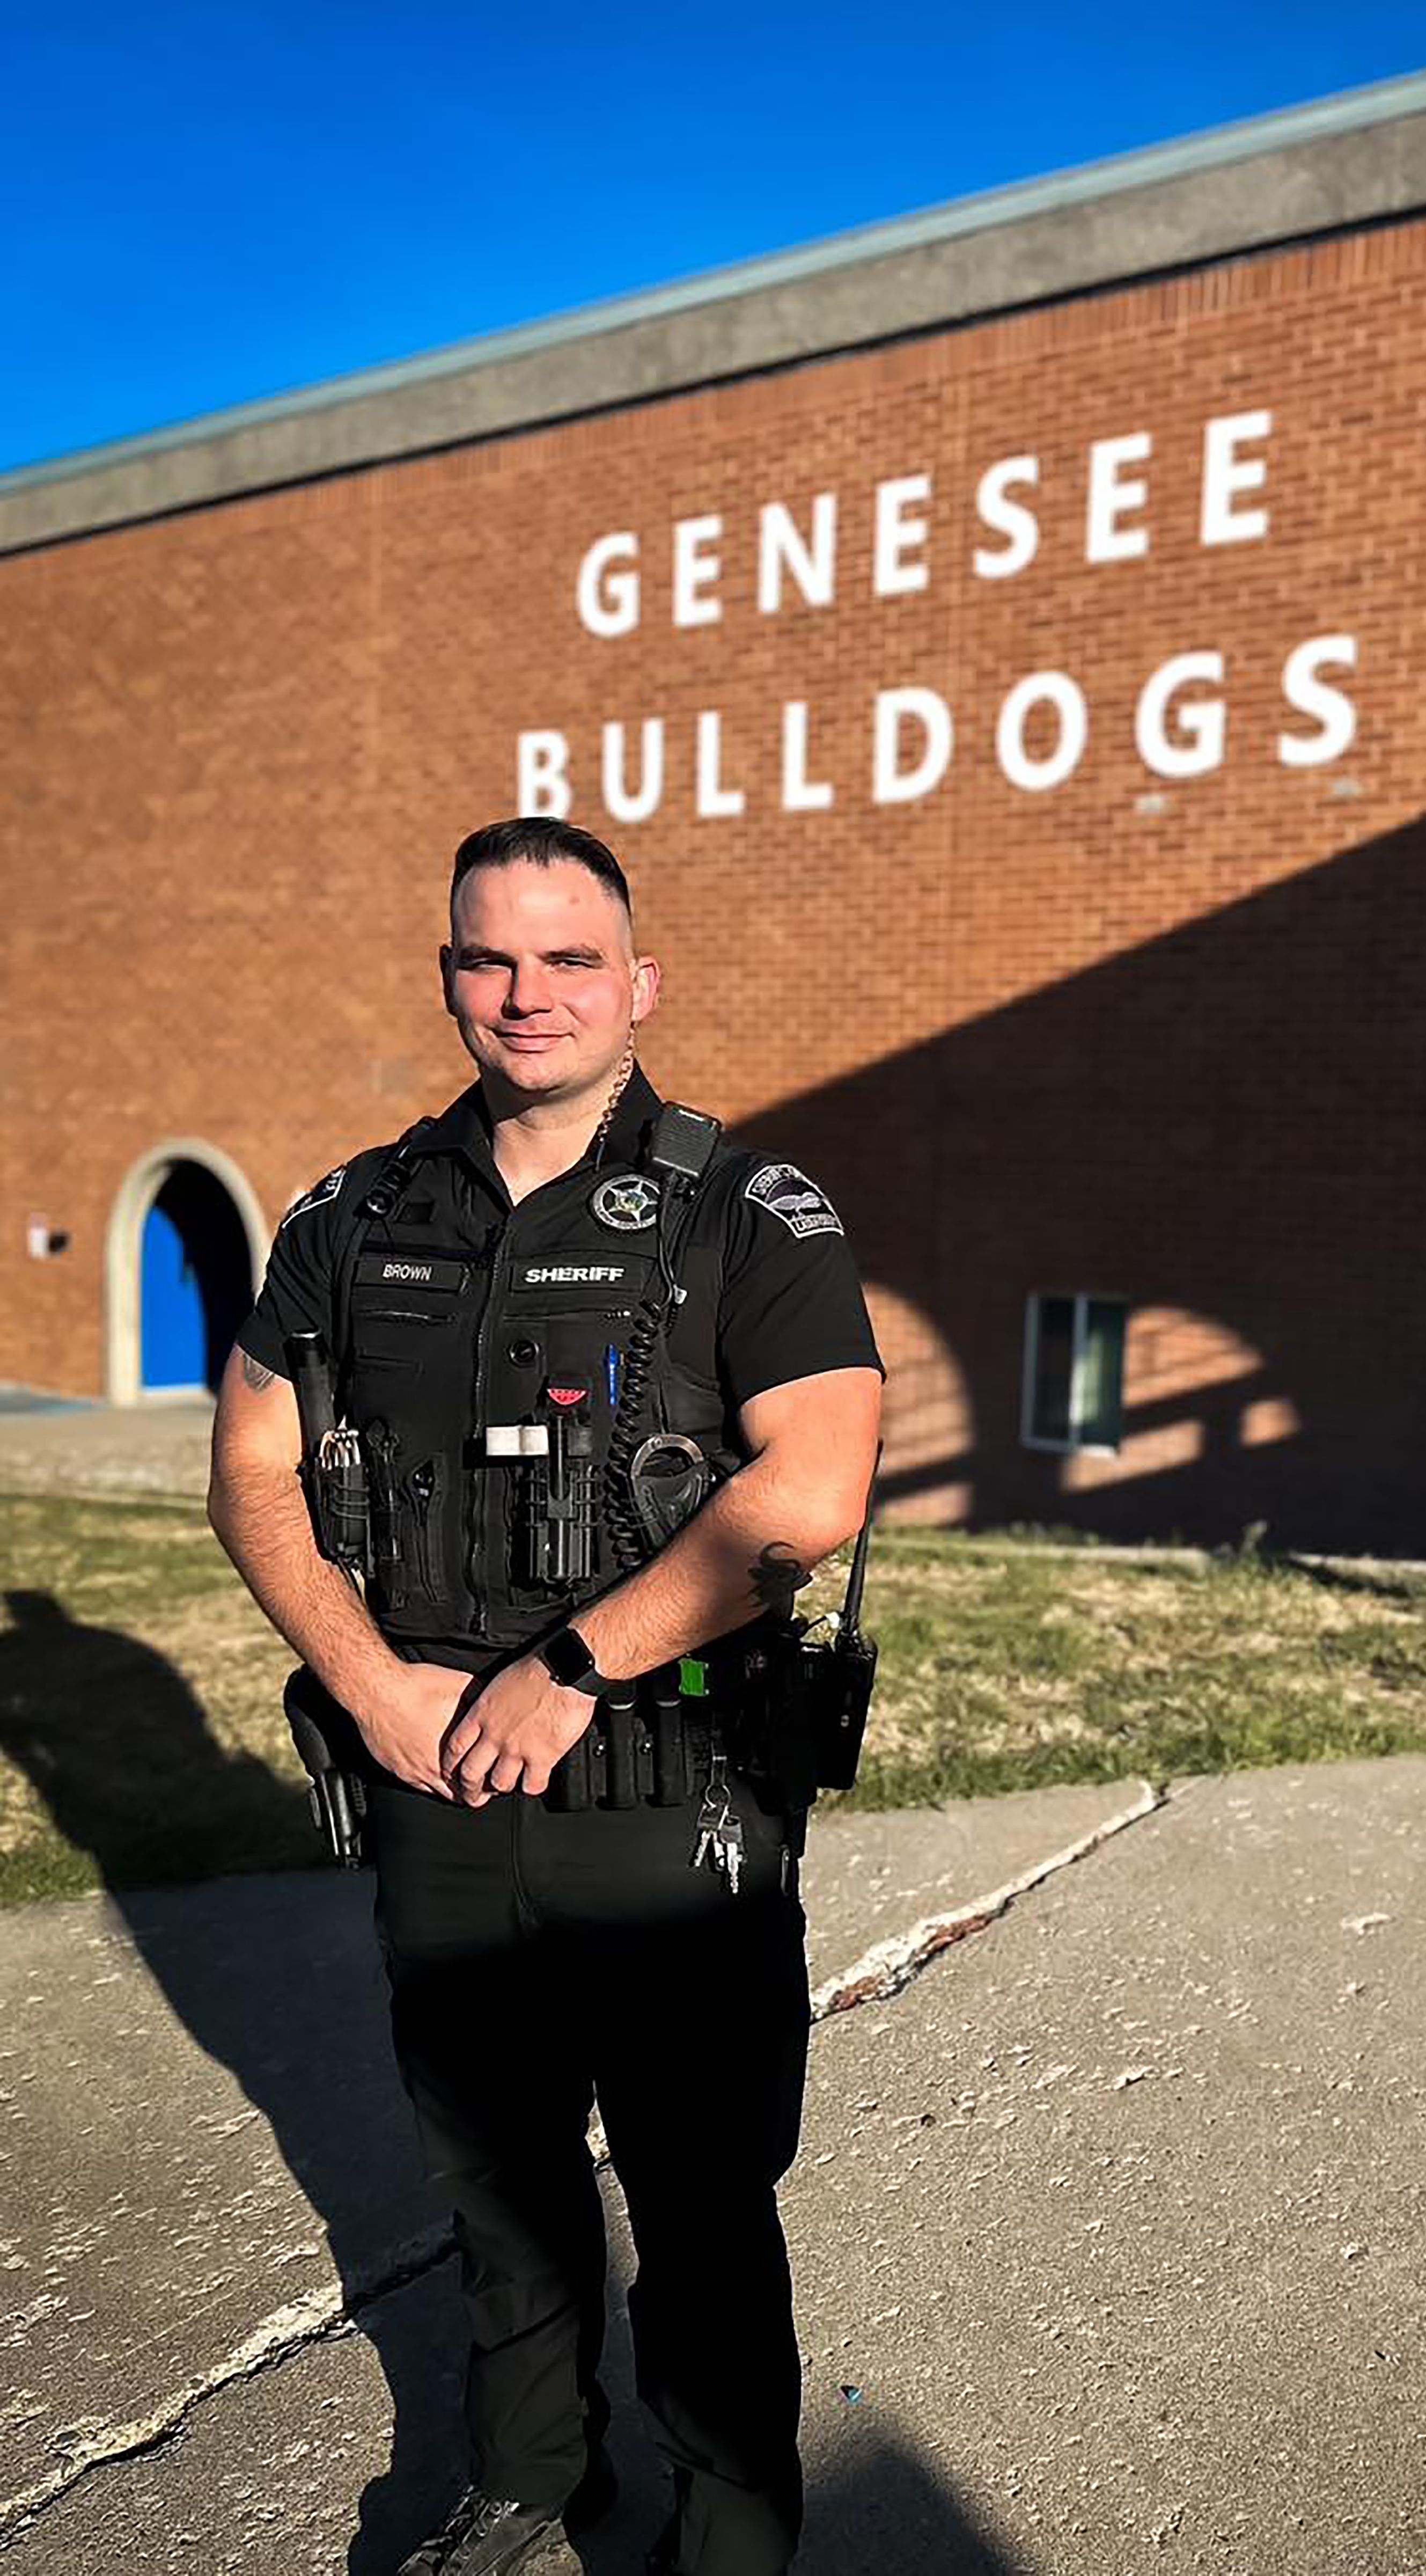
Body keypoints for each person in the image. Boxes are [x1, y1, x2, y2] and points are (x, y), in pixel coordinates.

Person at [208, 816, 884, 2576]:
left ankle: (730, 2535)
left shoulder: (752, 1212)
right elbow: (255, 1469)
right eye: (490, 958)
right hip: (435, 1794)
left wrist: (574, 1665)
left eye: (570, 958)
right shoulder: (352, 1215)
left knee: (703, 2203)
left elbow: (811, 1489)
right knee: (495, 2192)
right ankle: (526, 2485)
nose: (529, 994)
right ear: (450, 976)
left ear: (636, 982)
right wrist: (367, 1684)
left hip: (672, 1804)